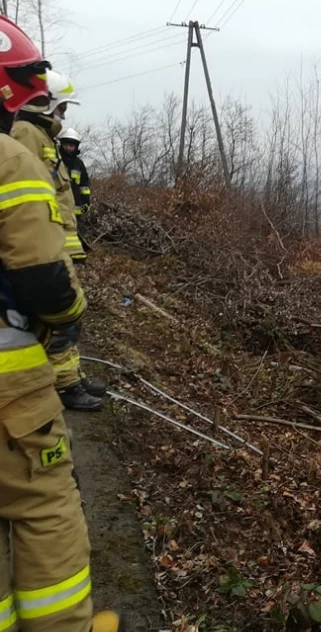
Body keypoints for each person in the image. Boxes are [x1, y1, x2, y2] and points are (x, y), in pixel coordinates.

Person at [0, 16, 124, 630]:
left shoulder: (40, 145)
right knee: (44, 508)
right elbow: (44, 283)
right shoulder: (11, 156)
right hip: (9, 388)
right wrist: (71, 309)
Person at [12, 69, 104, 412]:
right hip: (43, 248)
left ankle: (70, 377)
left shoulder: (40, 137)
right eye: (61, 107)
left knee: (71, 316)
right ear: (44, 102)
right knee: (61, 316)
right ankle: (64, 386)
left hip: (58, 244)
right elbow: (29, 200)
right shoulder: (25, 134)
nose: (63, 115)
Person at [57, 128, 90, 216]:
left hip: (75, 207)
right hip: (58, 204)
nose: (68, 148)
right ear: (61, 144)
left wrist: (86, 201)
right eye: (66, 145)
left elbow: (84, 184)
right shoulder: (56, 159)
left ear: (76, 147)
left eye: (71, 145)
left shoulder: (78, 163)